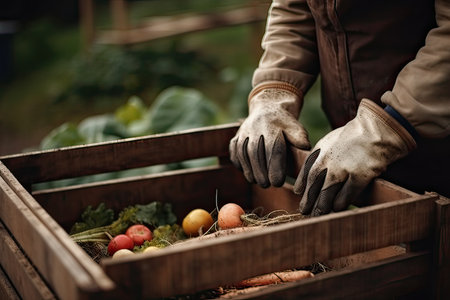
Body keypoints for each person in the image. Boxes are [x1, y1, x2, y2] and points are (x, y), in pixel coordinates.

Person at [229, 0, 450, 216]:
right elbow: (294, 8)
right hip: (351, 149)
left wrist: (388, 127)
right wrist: (273, 91)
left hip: (435, 145)